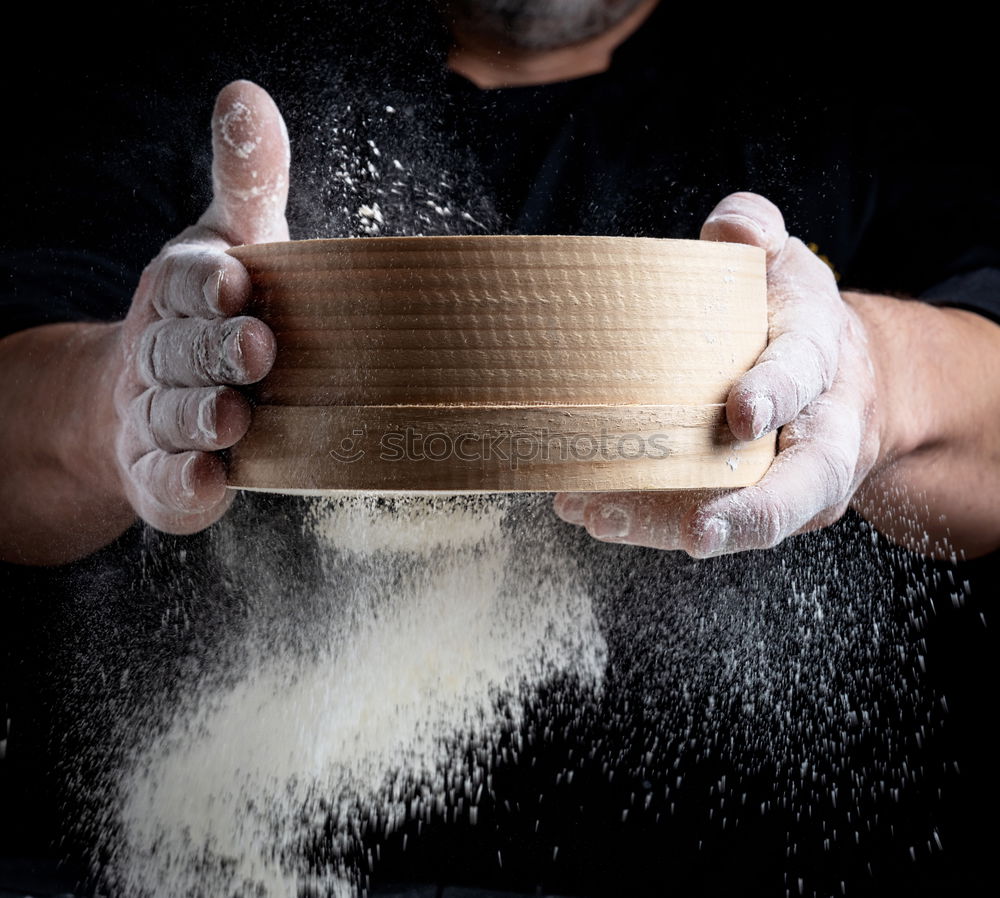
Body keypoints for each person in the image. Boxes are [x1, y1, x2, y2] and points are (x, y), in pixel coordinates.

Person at [1, 2, 996, 895]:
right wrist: (124, 399)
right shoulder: (191, 50)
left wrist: (878, 377)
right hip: (206, 859)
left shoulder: (858, 75)